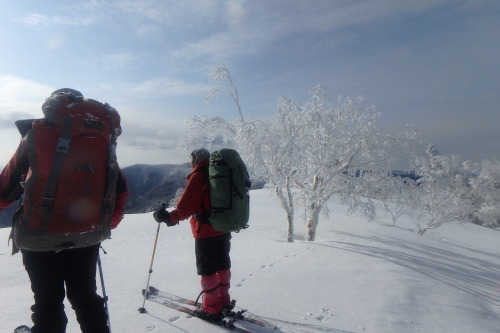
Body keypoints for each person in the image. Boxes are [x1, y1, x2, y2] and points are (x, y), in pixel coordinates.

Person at [0, 88, 129, 333]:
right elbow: (119, 189)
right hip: (88, 235)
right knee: (86, 297)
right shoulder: (102, 143)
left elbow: (5, 190)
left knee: (48, 303)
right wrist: (104, 224)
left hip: (40, 235)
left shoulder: (35, 137)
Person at [153, 148, 232, 322]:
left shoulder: (199, 176)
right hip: (224, 228)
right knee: (222, 264)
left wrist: (167, 217)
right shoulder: (222, 174)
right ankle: (224, 301)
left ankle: (212, 309)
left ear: (195, 160)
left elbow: (185, 207)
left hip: (206, 231)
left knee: (208, 269)